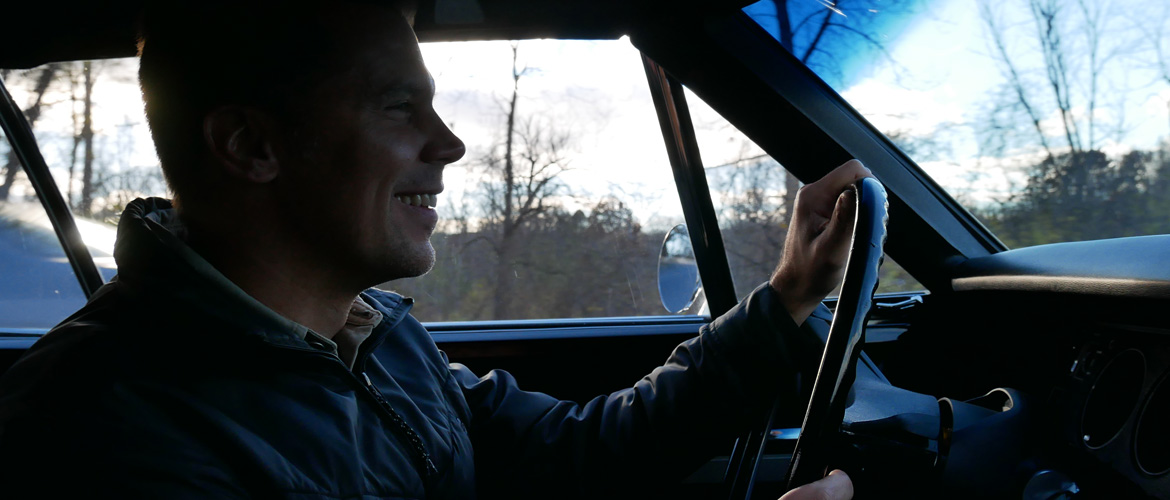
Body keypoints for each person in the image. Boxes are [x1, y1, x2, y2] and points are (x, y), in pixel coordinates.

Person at [0, 1, 869, 498]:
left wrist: (788, 297)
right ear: (251, 147)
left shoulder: (367, 338)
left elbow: (569, 454)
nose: (449, 145)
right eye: (396, 107)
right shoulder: (103, 434)